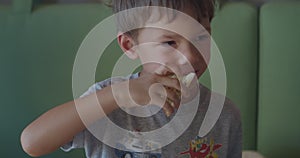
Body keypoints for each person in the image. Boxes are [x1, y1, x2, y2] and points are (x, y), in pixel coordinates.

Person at [20, 0, 242, 158]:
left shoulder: (224, 115)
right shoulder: (109, 102)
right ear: (130, 45)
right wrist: (118, 95)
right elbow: (32, 142)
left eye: (201, 36)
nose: (190, 56)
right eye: (170, 43)